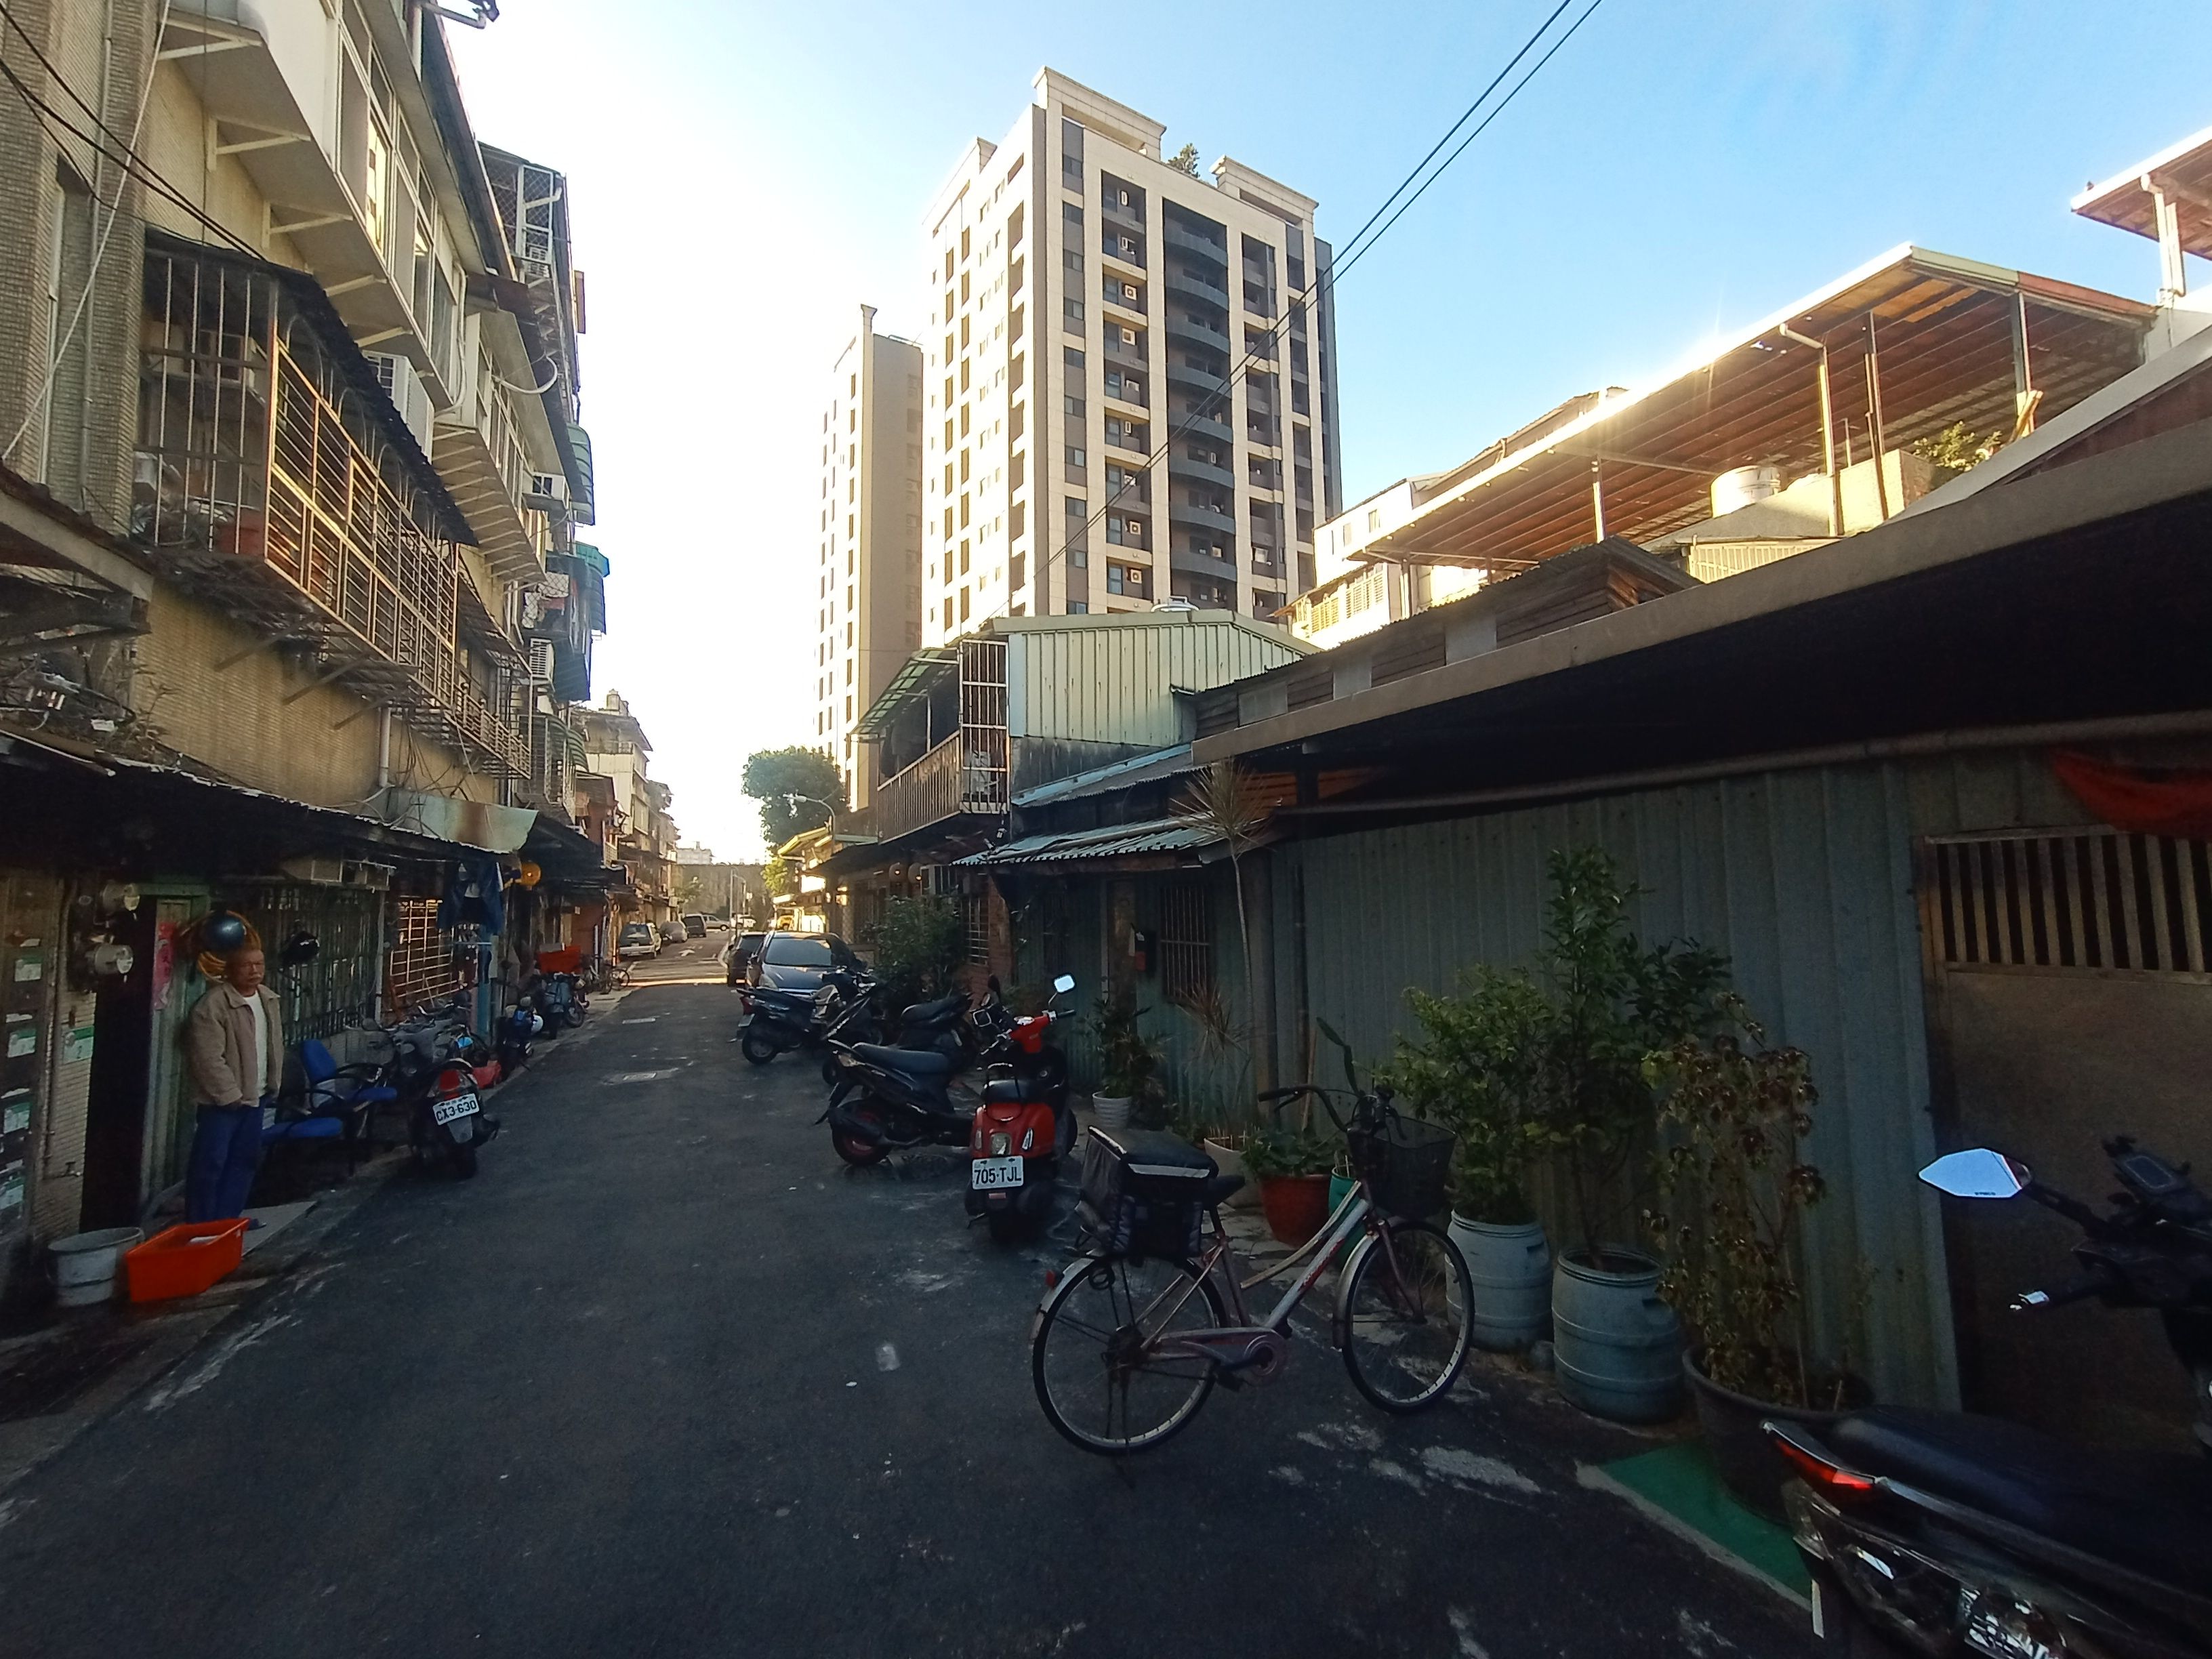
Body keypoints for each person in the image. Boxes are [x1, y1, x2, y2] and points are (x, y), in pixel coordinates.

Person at [182, 943, 283, 1223]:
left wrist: (274, 1082)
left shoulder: (268, 999)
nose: (254, 971)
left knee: (245, 1161)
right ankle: (201, 1226)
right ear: (229, 970)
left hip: (258, 1095)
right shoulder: (213, 1005)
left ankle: (228, 1221)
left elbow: (273, 1044)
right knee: (210, 1164)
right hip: (223, 1102)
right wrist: (229, 1095)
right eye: (246, 965)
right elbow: (207, 1057)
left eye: (259, 964)